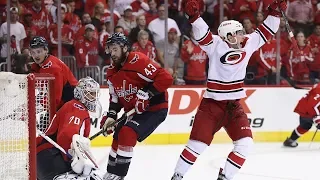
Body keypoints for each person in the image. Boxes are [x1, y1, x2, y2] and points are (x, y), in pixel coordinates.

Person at [171, 0, 286, 180]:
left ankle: (225, 177)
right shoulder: (215, 44)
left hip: (233, 106)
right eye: (239, 33)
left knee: (245, 144)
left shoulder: (248, 42)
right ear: (229, 35)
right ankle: (177, 175)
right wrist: (194, 17)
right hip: (212, 106)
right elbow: (203, 34)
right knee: (197, 145)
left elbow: (267, 30)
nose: (243, 35)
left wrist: (275, 13)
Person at [100, 32, 173, 180]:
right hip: (135, 110)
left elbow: (166, 78)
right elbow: (115, 99)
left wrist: (147, 93)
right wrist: (111, 116)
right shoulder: (111, 72)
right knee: (118, 133)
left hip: (155, 108)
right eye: (110, 49)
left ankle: (119, 176)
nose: (112, 53)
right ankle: (110, 173)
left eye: (115, 49)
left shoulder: (137, 60)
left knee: (127, 132)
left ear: (125, 48)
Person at [36, 77, 104, 180]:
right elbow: (66, 136)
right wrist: (74, 160)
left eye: (95, 93)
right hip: (50, 158)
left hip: (45, 159)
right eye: (90, 93)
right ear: (81, 93)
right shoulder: (77, 108)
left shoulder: (74, 106)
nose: (94, 97)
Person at [30, 36, 78, 110]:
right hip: (64, 101)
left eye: (39, 51)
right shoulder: (38, 65)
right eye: (33, 52)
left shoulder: (53, 68)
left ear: (46, 50)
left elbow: (55, 99)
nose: (36, 55)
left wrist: (40, 103)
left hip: (71, 102)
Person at [283, 83, 320, 147]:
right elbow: (312, 106)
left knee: (305, 126)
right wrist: (317, 118)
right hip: (308, 109)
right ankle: (291, 140)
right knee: (305, 125)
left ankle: (291, 140)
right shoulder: (318, 90)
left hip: (305, 108)